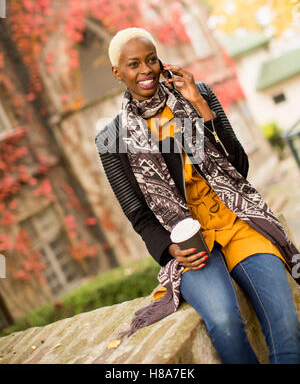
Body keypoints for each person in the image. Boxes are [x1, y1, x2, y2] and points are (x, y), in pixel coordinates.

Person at [95, 27, 300, 364]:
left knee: (285, 323)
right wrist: (169, 249)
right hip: (189, 242)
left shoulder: (196, 94)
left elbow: (239, 166)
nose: (145, 70)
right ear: (118, 72)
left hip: (236, 220)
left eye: (150, 60)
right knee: (223, 322)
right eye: (133, 65)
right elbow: (138, 213)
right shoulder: (113, 136)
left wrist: (202, 108)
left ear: (161, 62)